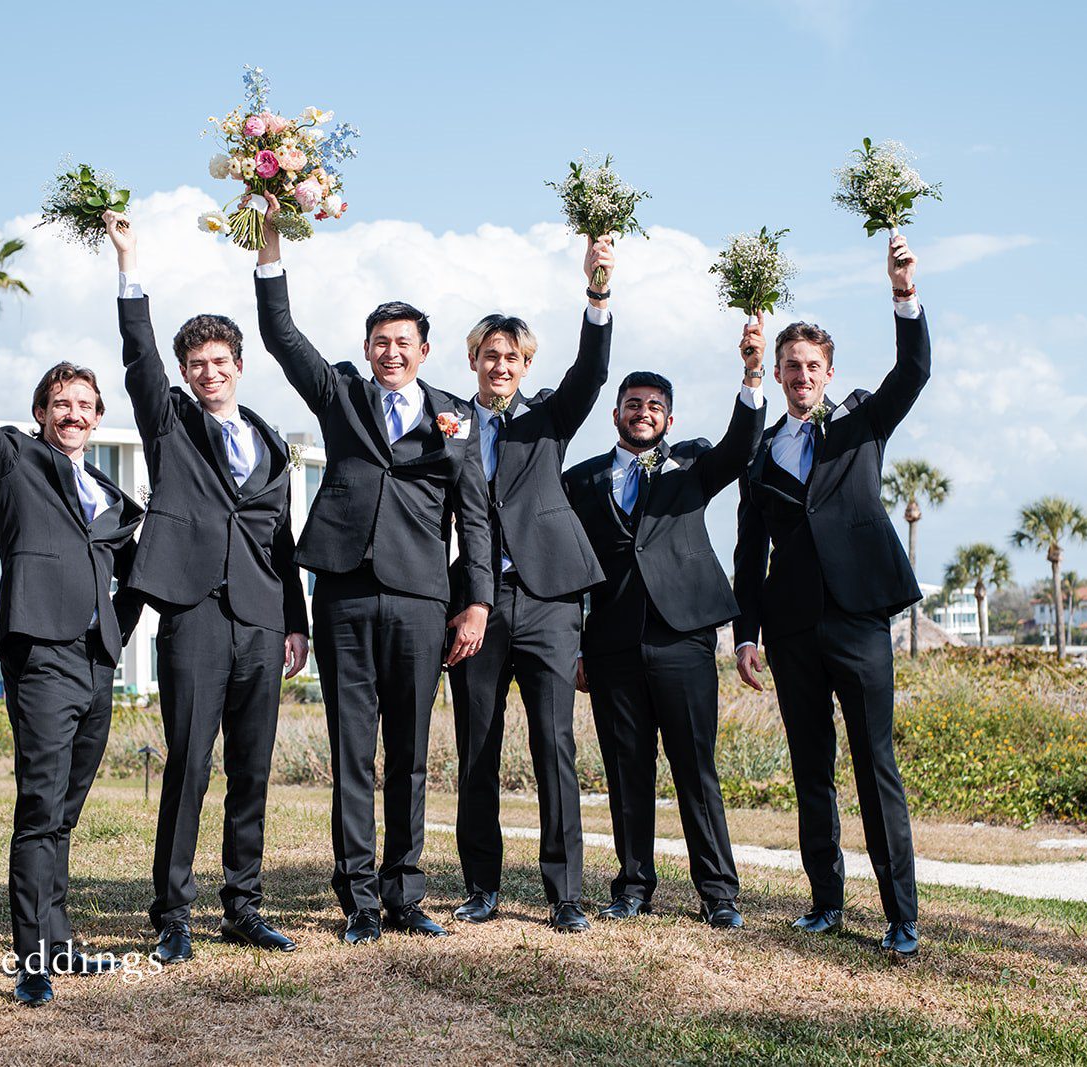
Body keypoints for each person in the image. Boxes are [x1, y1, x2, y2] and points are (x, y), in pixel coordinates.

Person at [251, 195, 494, 943]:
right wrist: (270, 241)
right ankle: (357, 899)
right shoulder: (342, 397)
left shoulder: (457, 417)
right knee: (353, 751)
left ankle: (405, 893)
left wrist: (476, 601)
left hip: (423, 599)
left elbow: (476, 514)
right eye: (380, 342)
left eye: (403, 342)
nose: (391, 352)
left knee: (411, 754)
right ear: (367, 349)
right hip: (345, 596)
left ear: (424, 351)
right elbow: (281, 335)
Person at [0, 255, 144, 1003]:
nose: (74, 414)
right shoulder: (14, 461)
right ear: (43, 412)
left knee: (66, 813)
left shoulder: (114, 494)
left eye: (85, 403)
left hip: (95, 661)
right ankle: (32, 963)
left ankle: (60, 941)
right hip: (41, 655)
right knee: (39, 805)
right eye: (61, 402)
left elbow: (135, 573)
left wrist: (115, 630)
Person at [101, 210, 310, 965]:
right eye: (197, 363)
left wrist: (297, 621)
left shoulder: (270, 441)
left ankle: (244, 905)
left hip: (261, 618)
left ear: (238, 364)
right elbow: (136, 359)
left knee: (251, 768)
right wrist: (129, 264)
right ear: (186, 372)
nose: (208, 372)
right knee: (190, 763)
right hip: (191, 613)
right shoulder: (169, 422)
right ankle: (173, 913)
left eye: (219, 360)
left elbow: (281, 539)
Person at [732, 234, 928, 958]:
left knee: (875, 767)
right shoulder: (761, 454)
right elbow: (749, 550)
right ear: (779, 374)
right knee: (810, 768)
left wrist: (903, 292)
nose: (802, 376)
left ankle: (901, 917)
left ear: (829, 371)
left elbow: (914, 370)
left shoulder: (862, 420)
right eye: (792, 367)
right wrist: (745, 632)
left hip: (859, 619)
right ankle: (824, 902)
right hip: (790, 630)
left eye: (813, 366)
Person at [564, 325, 766, 927]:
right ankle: (632, 887)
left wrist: (753, 378)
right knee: (627, 770)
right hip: (611, 645)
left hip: (684, 638)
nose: (643, 413)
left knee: (694, 768)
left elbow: (741, 444)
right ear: (616, 415)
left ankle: (720, 895)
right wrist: (578, 643)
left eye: (655, 407)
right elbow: (573, 571)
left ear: (668, 419)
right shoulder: (580, 481)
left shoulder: (694, 467)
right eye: (633, 405)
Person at [445, 235, 616, 933]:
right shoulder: (447, 423)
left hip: (547, 601)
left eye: (513, 357)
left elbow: (594, 369)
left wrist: (597, 292)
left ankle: (564, 893)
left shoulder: (548, 418)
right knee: (477, 748)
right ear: (475, 360)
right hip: (474, 608)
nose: (501, 365)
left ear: (525, 365)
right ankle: (481, 885)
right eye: (491, 355)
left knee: (554, 747)